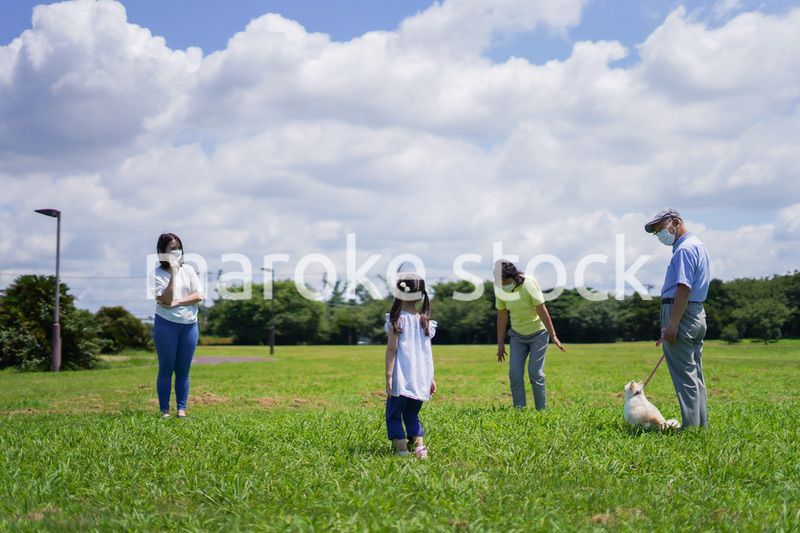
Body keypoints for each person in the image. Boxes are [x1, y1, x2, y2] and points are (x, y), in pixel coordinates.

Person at [645, 208, 710, 428]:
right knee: (695, 374)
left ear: (676, 222)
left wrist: (672, 324)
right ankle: (700, 425)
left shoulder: (683, 249)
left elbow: (683, 287)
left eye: (661, 229)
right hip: (696, 312)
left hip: (680, 312)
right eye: (656, 233)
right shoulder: (697, 245)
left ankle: (691, 428)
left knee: (685, 376)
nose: (660, 235)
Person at [495, 261, 565, 409]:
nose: (502, 283)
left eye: (504, 281)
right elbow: (502, 316)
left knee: (535, 372)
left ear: (512, 277)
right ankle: (519, 409)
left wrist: (553, 335)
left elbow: (542, 309)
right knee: (514, 373)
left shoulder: (529, 284)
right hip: (517, 336)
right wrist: (500, 344)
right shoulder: (499, 288)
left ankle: (542, 410)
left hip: (538, 334)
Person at [384, 274, 437, 458]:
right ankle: (420, 450)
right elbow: (427, 354)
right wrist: (431, 378)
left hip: (401, 377)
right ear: (421, 295)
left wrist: (389, 376)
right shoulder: (425, 321)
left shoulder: (396, 319)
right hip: (420, 377)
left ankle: (402, 451)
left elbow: (392, 350)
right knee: (412, 415)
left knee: (393, 415)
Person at [152, 233, 204, 418]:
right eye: (172, 249)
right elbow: (165, 298)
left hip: (189, 325)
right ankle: (164, 410)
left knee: (183, 370)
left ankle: (181, 409)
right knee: (166, 368)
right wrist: (173, 273)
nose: (177, 252)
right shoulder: (157, 274)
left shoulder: (189, 270)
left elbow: (199, 295)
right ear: (161, 252)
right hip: (166, 325)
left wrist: (177, 302)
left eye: (178, 248)